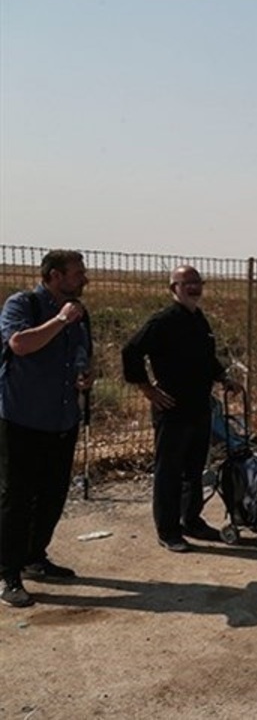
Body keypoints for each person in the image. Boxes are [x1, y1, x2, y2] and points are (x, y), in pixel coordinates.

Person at [122, 265, 243, 553]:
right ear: (173, 288)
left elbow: (207, 357)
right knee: (170, 472)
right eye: (186, 282)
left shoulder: (199, 319)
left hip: (200, 407)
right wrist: (148, 389)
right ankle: (168, 530)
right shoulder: (163, 321)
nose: (193, 287)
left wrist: (223, 377)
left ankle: (191, 520)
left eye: (197, 282)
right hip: (172, 409)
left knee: (194, 469)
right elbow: (130, 351)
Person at [0, 250, 93, 608]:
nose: (84, 279)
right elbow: (20, 344)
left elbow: (83, 355)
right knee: (17, 498)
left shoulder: (80, 314)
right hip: (22, 418)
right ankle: (9, 574)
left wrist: (86, 376)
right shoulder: (22, 304)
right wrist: (60, 320)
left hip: (62, 418)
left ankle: (35, 557)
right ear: (54, 276)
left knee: (53, 494)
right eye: (77, 273)